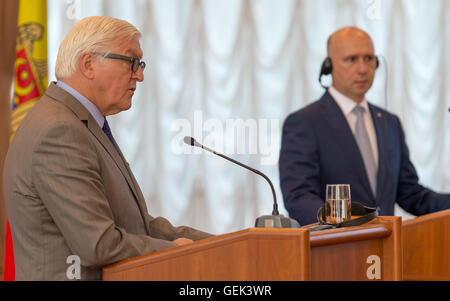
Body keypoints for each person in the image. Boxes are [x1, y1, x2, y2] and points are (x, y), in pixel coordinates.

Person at [3, 16, 212, 280]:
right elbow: (98, 244)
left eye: (141, 64)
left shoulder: (79, 122)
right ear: (88, 64)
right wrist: (173, 250)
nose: (140, 74)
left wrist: (223, 242)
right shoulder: (59, 131)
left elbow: (137, 225)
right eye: (131, 62)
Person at [279, 26, 450, 226]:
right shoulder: (305, 122)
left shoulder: (389, 123)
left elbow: (411, 193)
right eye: (351, 59)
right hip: (334, 250)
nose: (362, 69)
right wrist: (346, 225)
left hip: (386, 247)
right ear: (329, 66)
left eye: (369, 59)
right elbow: (299, 197)